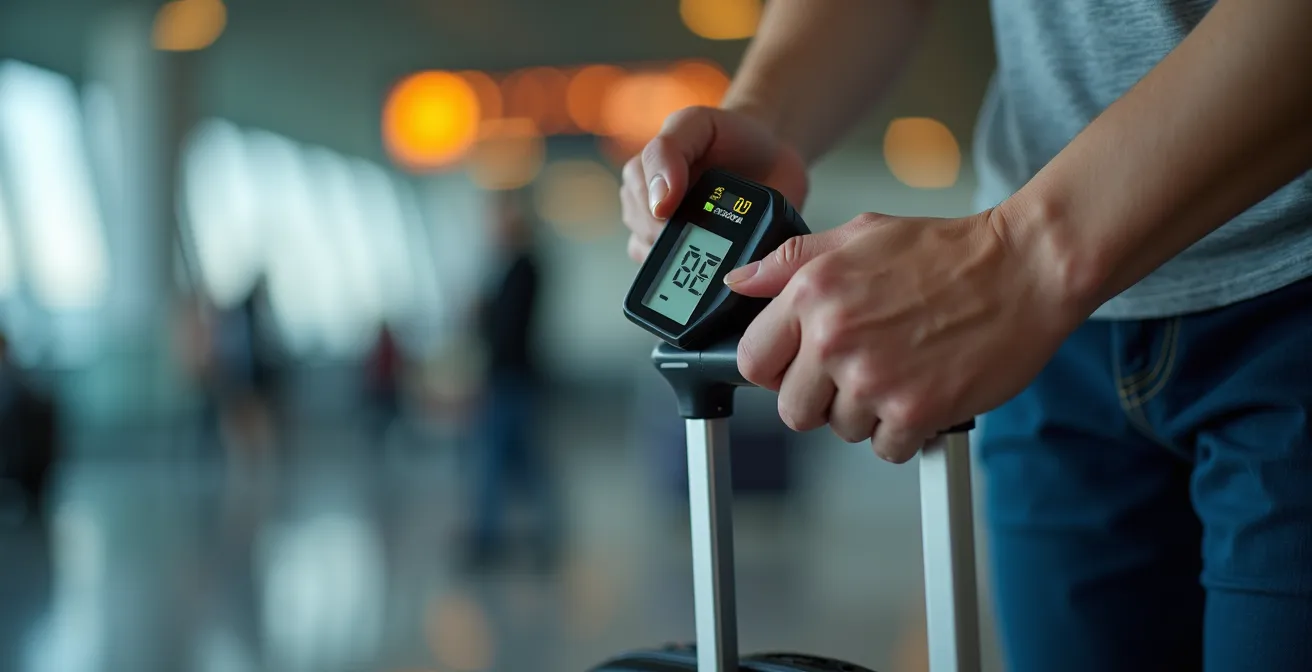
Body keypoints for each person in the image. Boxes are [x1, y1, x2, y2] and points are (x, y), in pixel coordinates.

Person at [619, 1, 1312, 669]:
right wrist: (767, 114)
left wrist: (1021, 255)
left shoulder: (1019, 267)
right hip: (1049, 345)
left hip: (1280, 294)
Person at [464, 190, 561, 570]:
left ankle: (493, 536)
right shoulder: (513, 266)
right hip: (511, 376)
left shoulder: (524, 267)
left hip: (512, 377)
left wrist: (482, 314)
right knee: (520, 461)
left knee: (498, 459)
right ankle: (538, 533)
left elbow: (508, 328)